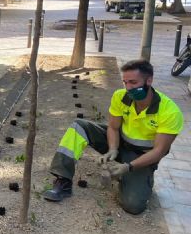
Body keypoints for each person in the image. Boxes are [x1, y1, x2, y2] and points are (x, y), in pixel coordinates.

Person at [43, 59, 183, 214]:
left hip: (141, 156)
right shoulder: (120, 96)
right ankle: (63, 181)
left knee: (133, 206)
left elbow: (158, 151)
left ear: (149, 80)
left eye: (133, 82)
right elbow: (113, 127)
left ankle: (138, 178)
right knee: (78, 127)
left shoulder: (170, 112)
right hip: (120, 143)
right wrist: (112, 149)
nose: (128, 87)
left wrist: (128, 167)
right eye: (125, 82)